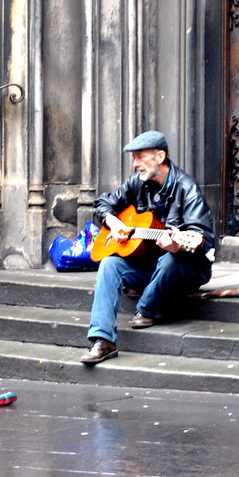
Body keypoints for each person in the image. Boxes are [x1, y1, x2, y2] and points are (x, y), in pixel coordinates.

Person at [80, 130, 216, 365]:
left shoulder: (187, 190)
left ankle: (146, 308)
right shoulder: (137, 183)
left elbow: (203, 241)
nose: (135, 164)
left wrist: (176, 246)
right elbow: (104, 202)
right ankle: (103, 341)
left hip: (185, 269)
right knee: (110, 263)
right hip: (149, 265)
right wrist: (113, 221)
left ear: (160, 157)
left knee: (169, 259)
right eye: (135, 158)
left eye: (140, 157)